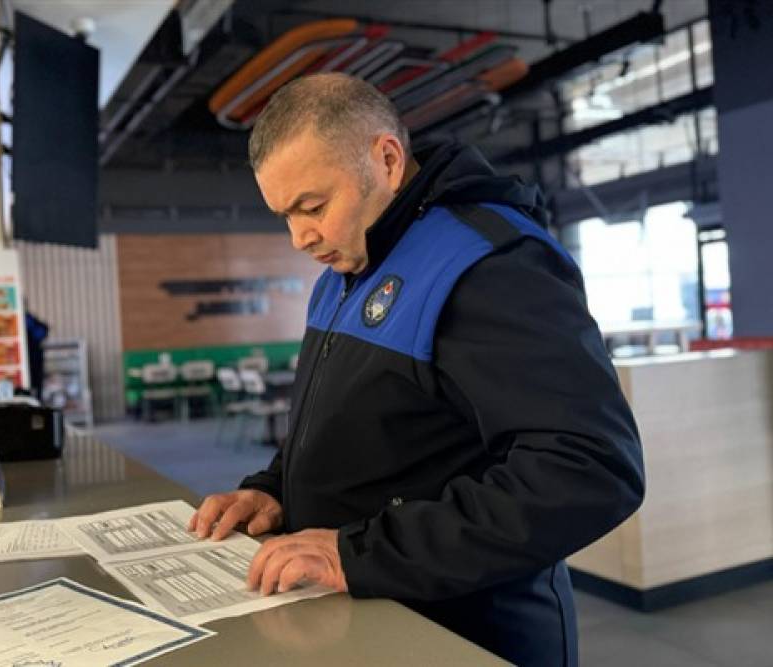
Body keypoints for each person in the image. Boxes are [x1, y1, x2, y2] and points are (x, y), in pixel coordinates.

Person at [188, 72, 644, 666]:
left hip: (468, 634)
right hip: (366, 616)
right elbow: (364, 426)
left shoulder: (490, 266)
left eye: (314, 206)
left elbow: (590, 469)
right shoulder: (345, 272)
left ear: (386, 159)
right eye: (285, 215)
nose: (301, 236)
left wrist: (364, 553)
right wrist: (275, 490)